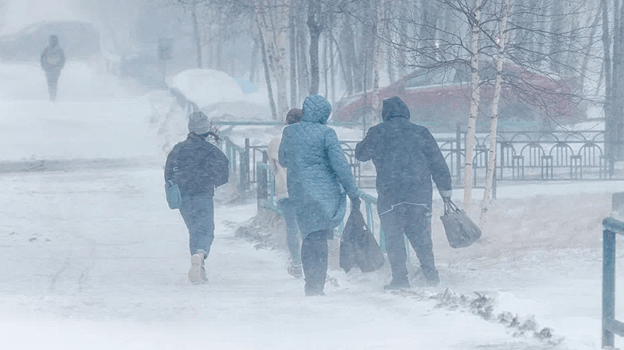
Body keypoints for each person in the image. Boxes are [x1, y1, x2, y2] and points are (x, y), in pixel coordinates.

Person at [355, 96, 452, 290]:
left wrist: (370, 136)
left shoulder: (377, 132)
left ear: (385, 114)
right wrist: (445, 190)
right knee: (421, 236)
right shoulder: (421, 132)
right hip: (419, 195)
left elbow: (361, 154)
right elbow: (437, 163)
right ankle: (431, 274)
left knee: (393, 238)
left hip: (390, 195)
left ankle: (400, 278)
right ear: (406, 112)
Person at [279, 95, 360, 296]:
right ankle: (318, 284)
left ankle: (310, 284)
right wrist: (353, 192)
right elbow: (340, 165)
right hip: (324, 195)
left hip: (300, 193)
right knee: (320, 239)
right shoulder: (327, 134)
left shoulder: (290, 132)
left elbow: (283, 159)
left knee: (308, 237)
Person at [165, 111, 229, 284]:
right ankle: (200, 255)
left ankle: (199, 265)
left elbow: (168, 173)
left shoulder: (178, 149)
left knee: (194, 229)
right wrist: (212, 180)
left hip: (184, 197)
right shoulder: (211, 151)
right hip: (203, 195)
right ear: (205, 129)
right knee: (206, 229)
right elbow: (224, 172)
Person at [267, 108, 304, 278]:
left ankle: (296, 262)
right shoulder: (308, 140)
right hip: (305, 190)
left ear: (286, 122)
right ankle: (312, 261)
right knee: (308, 227)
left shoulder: (276, 141)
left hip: (286, 190)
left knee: (292, 227)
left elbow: (273, 168)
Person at [40, 35, 66, 101]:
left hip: (55, 70)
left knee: (53, 83)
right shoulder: (47, 49)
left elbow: (63, 60)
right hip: (49, 69)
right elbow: (42, 58)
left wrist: (59, 67)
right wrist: (45, 67)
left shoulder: (59, 50)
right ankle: (52, 96)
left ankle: (53, 96)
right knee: (50, 83)